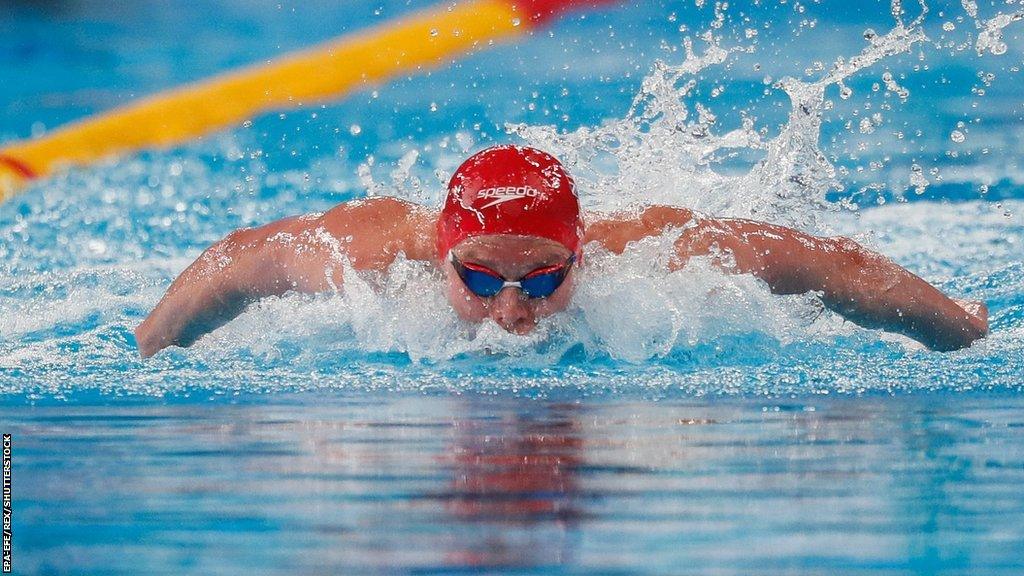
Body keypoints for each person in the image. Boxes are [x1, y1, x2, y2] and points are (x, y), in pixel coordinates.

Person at [135, 145, 988, 357]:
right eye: (478, 279)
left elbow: (830, 264)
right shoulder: (363, 260)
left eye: (544, 279)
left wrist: (966, 333)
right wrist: (147, 353)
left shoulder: (653, 252)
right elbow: (236, 260)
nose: (512, 312)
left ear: (582, 258)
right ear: (441, 255)